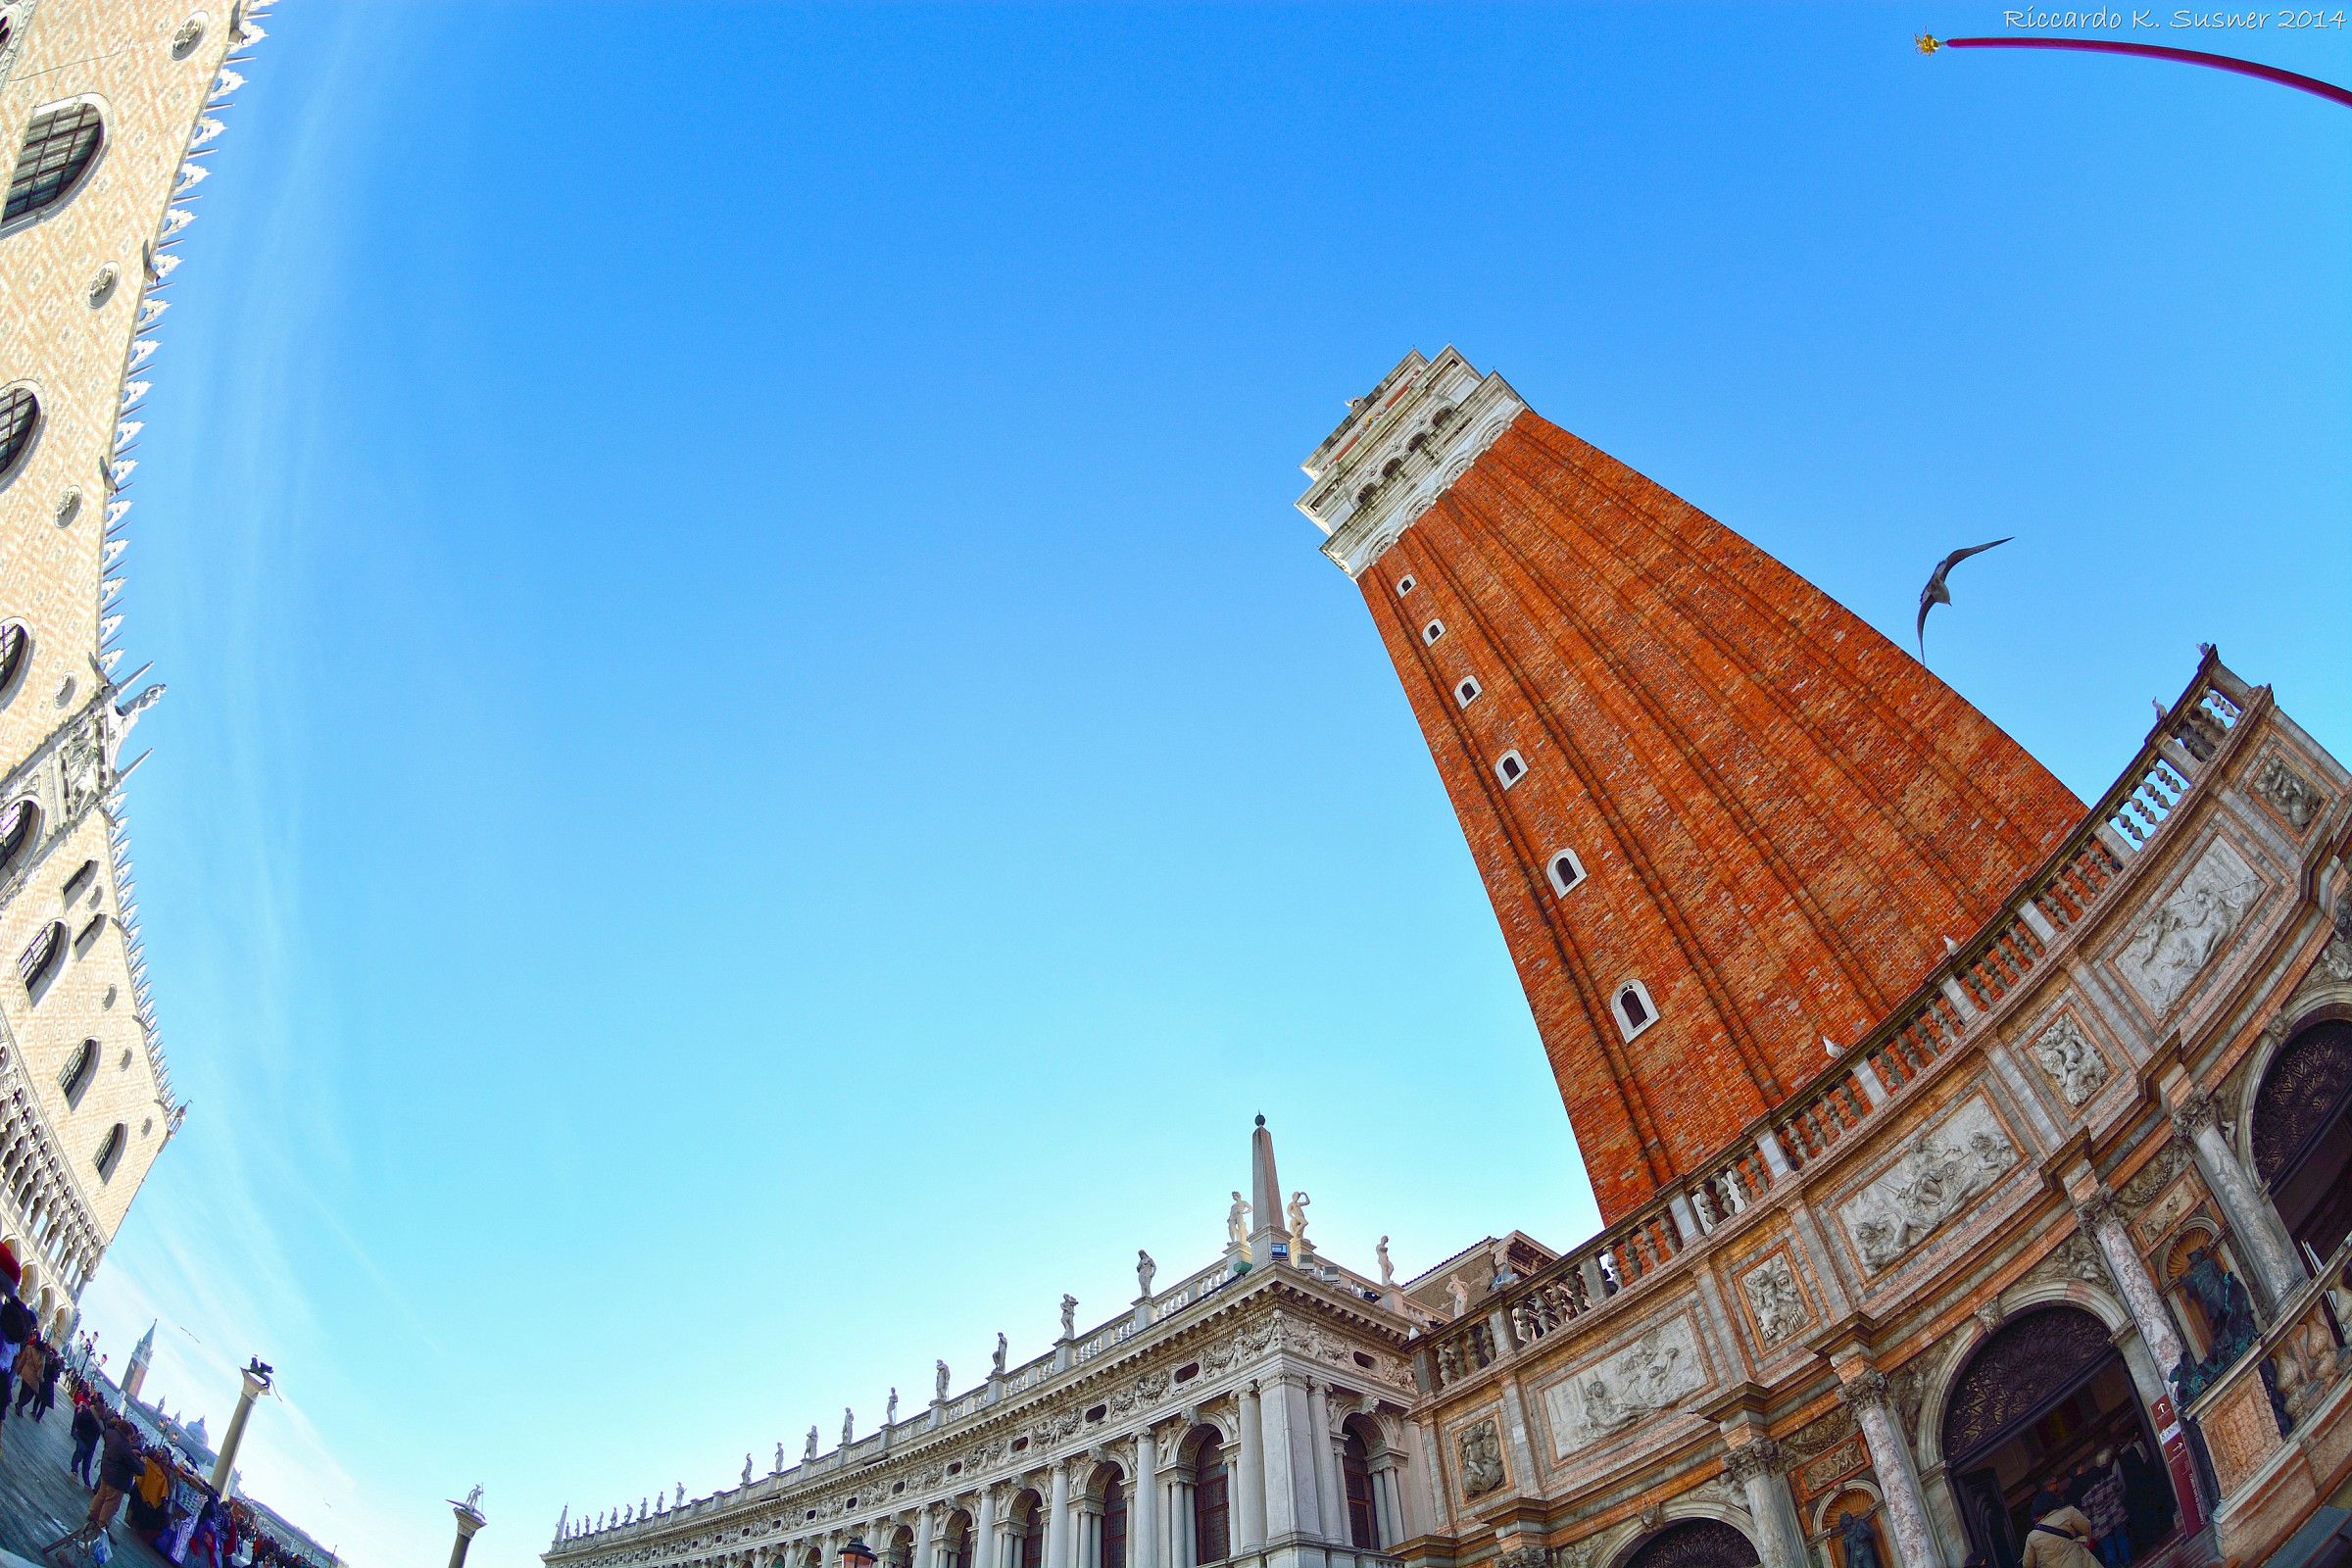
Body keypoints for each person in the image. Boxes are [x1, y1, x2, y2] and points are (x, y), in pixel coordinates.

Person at [2021, 1489, 2100, 1568]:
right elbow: (2086, 1526)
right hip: (2078, 1562)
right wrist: (2084, 1542)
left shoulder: (2032, 1537)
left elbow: (2027, 1565)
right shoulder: (2068, 1512)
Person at [90, 1413, 141, 1534]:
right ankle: (102, 1524)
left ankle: (93, 1514)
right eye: (131, 1436)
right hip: (117, 1480)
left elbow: (108, 1424)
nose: (131, 1439)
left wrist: (119, 1423)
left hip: (107, 1472)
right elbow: (139, 1469)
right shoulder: (124, 1446)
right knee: (111, 1503)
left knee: (101, 1495)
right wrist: (141, 1461)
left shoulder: (111, 1434)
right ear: (128, 1434)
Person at [2082, 1448, 2130, 1568]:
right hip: (2117, 1513)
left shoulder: (2088, 1496)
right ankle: (2128, 1562)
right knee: (2122, 1540)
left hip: (2100, 1523)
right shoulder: (2111, 1480)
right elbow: (2120, 1490)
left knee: (2109, 1549)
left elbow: (2086, 1512)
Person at [71, 1396, 104, 1487]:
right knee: (81, 1453)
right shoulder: (89, 1414)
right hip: (85, 1439)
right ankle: (75, 1471)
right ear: (99, 1411)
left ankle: (86, 1482)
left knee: (86, 1460)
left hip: (89, 1442)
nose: (103, 1415)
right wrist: (81, 1432)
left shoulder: (99, 1421)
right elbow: (79, 1421)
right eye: (102, 1413)